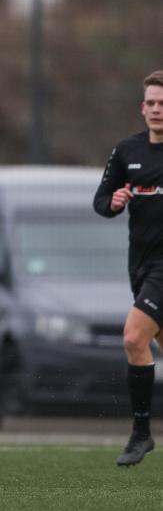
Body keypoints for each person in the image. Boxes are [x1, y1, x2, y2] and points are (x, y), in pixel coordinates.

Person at [94, 70, 163, 467]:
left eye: (162, 103)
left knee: (134, 337)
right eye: (150, 103)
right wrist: (116, 201)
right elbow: (101, 201)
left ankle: (141, 434)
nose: (156, 109)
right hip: (140, 265)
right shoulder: (127, 151)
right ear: (142, 108)